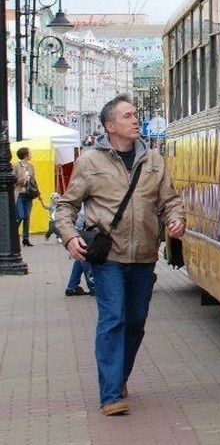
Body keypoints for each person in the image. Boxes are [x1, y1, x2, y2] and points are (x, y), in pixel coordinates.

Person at [55, 94, 185, 417]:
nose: (134, 119)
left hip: (143, 256)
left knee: (136, 322)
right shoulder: (90, 161)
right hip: (108, 256)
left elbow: (169, 199)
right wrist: (70, 238)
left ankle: (119, 376)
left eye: (135, 114)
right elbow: (66, 208)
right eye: (127, 116)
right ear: (109, 126)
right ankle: (110, 394)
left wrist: (176, 217)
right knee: (114, 318)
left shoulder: (153, 160)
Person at [65, 201, 95, 296]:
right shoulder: (85, 206)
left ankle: (72, 286)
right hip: (84, 235)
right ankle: (93, 286)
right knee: (85, 259)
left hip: (78, 233)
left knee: (79, 260)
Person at [13, 147, 36, 247]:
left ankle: (25, 239)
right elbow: (13, 180)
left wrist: (37, 192)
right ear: (25, 155)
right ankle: (13, 235)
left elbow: (34, 181)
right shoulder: (16, 166)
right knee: (20, 215)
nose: (31, 154)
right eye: (30, 153)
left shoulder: (31, 166)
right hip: (20, 194)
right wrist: (23, 179)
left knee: (27, 217)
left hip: (28, 194)